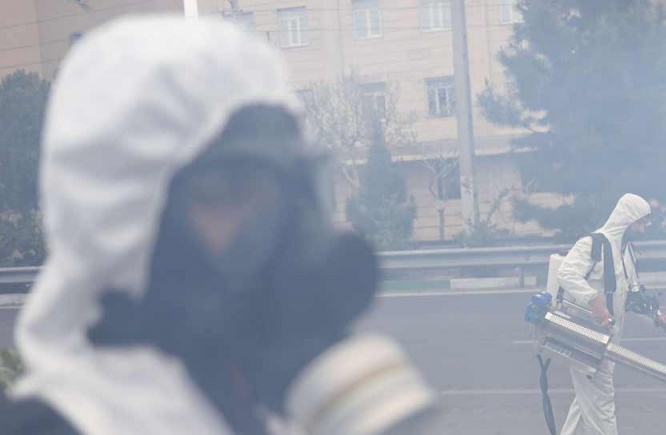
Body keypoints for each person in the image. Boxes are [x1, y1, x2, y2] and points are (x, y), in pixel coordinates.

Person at [0, 15, 434, 435]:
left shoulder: (243, 398)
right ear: (121, 222)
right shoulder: (67, 425)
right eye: (228, 192)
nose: (280, 228)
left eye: (289, 190)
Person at [556, 193, 666, 435]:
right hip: (586, 335)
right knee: (601, 400)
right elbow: (566, 274)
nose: (643, 229)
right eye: (640, 223)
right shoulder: (593, 245)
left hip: (608, 337)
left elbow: (632, 293)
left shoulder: (625, 251)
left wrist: (656, 315)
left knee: (587, 397)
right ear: (627, 219)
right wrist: (594, 301)